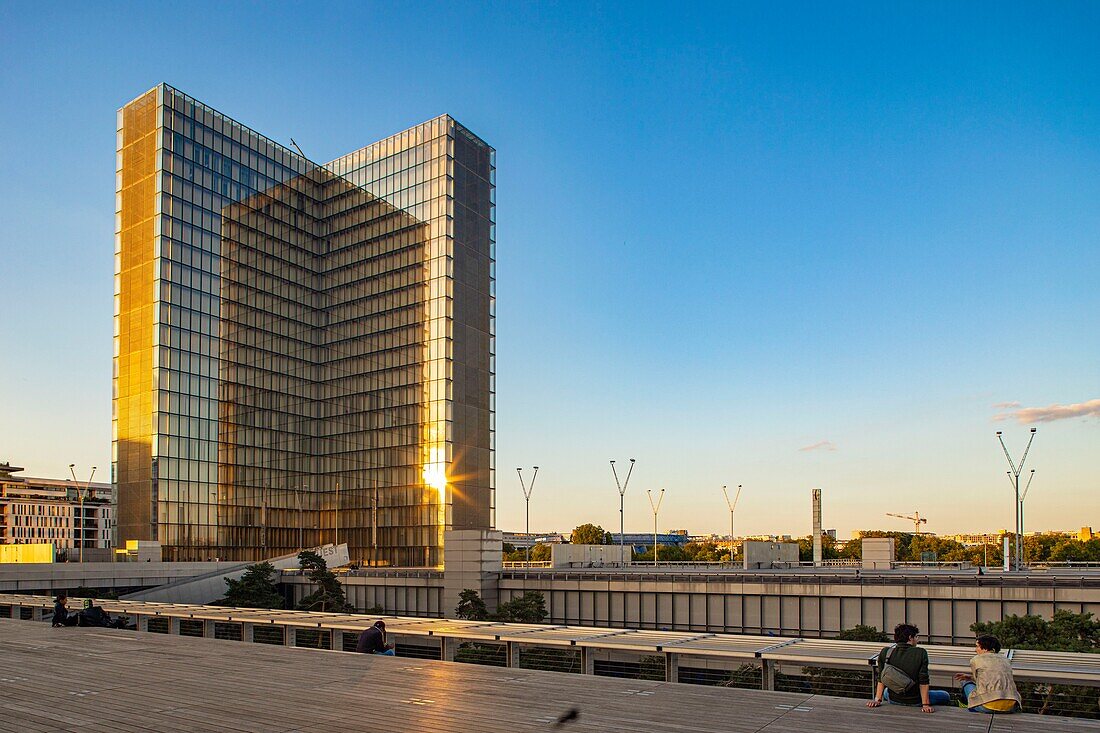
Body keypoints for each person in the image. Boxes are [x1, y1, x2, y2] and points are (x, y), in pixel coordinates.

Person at [867, 623, 951, 713]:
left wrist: (877, 700)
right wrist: (925, 705)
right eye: (916, 637)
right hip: (915, 701)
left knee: (886, 691)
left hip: (894, 699)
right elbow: (923, 681)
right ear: (910, 637)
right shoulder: (921, 653)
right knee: (945, 695)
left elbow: (881, 678)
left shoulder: (886, 652)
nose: (917, 640)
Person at [953, 635, 1021, 713]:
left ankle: (970, 706)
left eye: (977, 646)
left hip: (987, 706)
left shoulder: (976, 659)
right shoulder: (1006, 660)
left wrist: (969, 679)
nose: (975, 650)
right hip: (1011, 707)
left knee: (965, 682)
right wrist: (970, 677)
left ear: (985, 648)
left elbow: (979, 682)